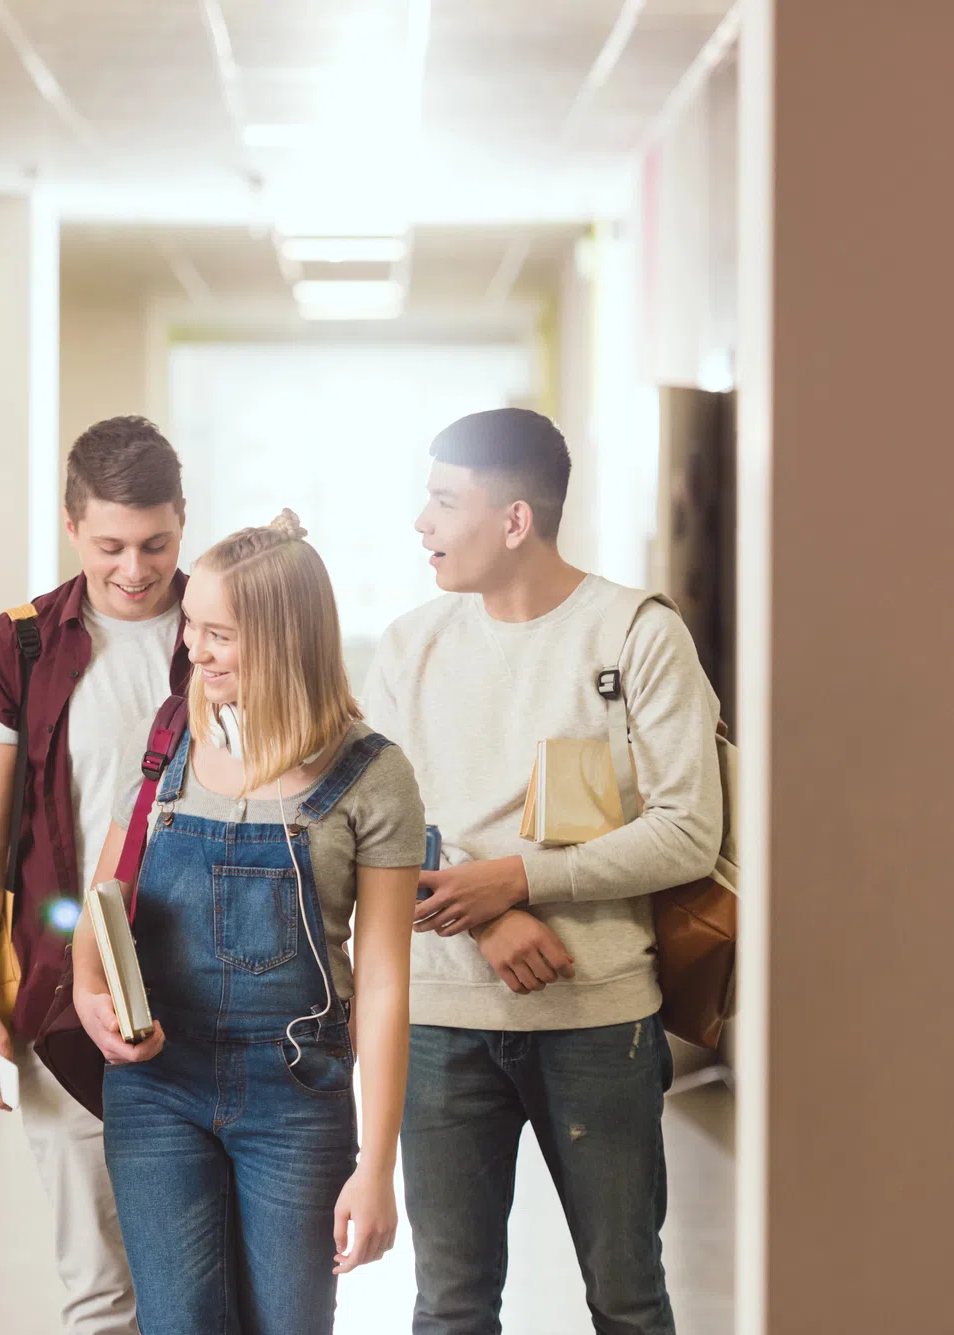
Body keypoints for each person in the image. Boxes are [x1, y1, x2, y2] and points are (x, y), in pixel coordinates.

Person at [363, 408, 724, 1335]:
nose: (422, 522)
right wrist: (488, 913)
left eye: (445, 501)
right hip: (442, 1021)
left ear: (515, 519)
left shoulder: (639, 635)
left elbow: (688, 831)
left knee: (628, 1300)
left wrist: (522, 880)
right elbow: (379, 831)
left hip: (598, 1019)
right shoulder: (408, 645)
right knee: (450, 1307)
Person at [76, 511, 423, 1335]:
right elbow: (102, 899)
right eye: (192, 623)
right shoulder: (171, 739)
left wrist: (379, 1167)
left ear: (283, 639)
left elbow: (382, 985)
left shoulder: (373, 776)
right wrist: (91, 992)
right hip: (157, 1086)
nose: (193, 648)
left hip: (297, 1092)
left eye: (219, 634)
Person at [0, 416, 190, 1335]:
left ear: (183, 518)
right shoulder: (20, 645)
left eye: (156, 543)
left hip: (208, 987)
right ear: (70, 524)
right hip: (63, 997)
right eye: (110, 546)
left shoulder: (228, 627)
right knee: (99, 1291)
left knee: (202, 1287)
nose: (135, 569)